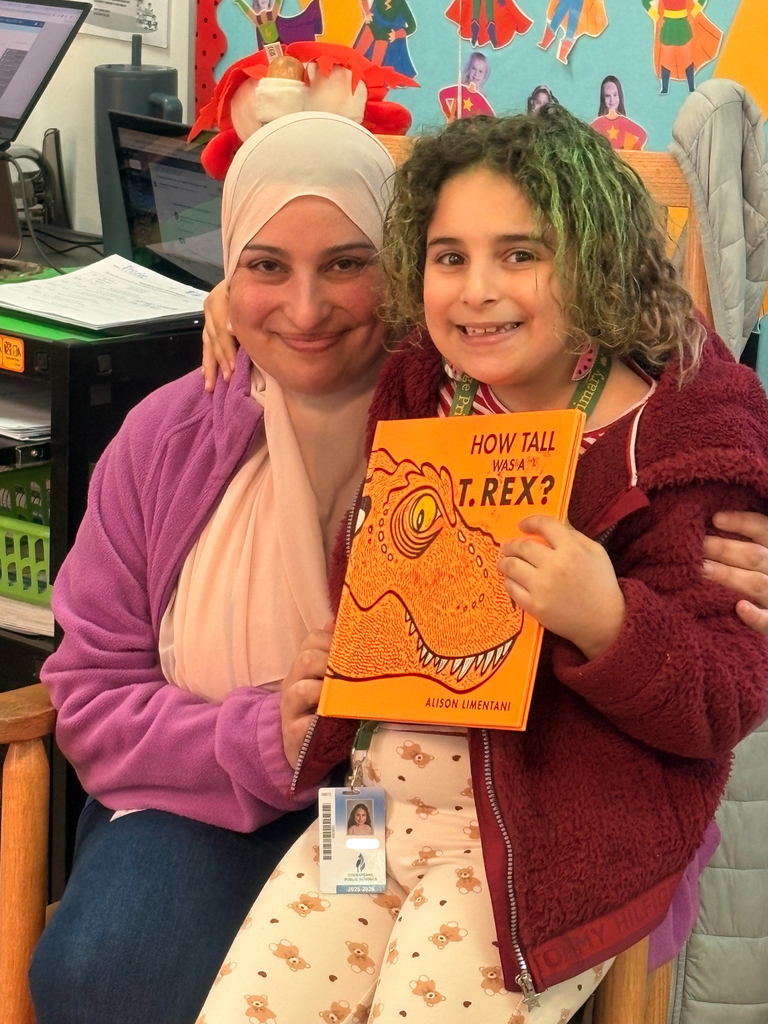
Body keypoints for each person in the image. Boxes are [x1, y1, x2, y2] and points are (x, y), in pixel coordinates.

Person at [196, 107, 768, 1024]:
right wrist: (342, 657)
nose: (476, 290)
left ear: (597, 261)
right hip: (372, 818)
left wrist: (607, 620)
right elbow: (373, 573)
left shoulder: (679, 436)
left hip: (537, 848)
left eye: (520, 254)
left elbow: (722, 700)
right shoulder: (424, 385)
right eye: (449, 256)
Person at [28, 112, 396, 1024]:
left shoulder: (472, 416)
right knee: (109, 974)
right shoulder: (169, 434)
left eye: (347, 263)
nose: (305, 310)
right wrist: (257, 733)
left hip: (402, 807)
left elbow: (637, 349)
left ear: (401, 260)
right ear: (228, 273)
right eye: (266, 266)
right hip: (192, 794)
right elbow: (91, 694)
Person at [591, 74, 648, 151]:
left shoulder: (624, 122)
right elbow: (586, 137)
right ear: (603, 98)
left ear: (620, 96)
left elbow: (642, 135)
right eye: (607, 96)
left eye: (615, 95)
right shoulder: (599, 122)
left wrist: (631, 151)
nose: (612, 100)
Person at [438, 52, 495, 122]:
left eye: (480, 71)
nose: (476, 74)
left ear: (484, 75)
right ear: (469, 69)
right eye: (474, 68)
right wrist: (449, 115)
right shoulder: (460, 90)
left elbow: (489, 118)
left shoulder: (481, 97)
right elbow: (443, 94)